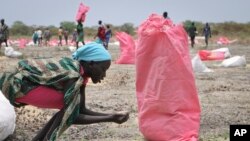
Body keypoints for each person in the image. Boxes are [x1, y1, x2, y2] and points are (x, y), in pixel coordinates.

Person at [0, 42, 129, 141]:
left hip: (22, 82)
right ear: (91, 64)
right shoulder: (73, 75)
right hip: (14, 83)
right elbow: (73, 115)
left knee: (70, 106)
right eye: (103, 69)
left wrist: (112, 115)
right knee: (68, 107)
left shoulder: (82, 75)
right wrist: (111, 118)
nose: (104, 75)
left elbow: (81, 109)